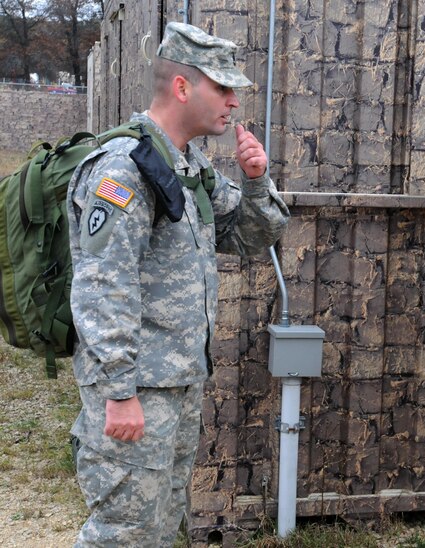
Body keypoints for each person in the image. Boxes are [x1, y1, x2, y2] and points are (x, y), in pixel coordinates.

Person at [67, 22, 290, 546]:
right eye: (224, 87)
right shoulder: (123, 171)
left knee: (163, 526)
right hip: (136, 389)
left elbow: (251, 237)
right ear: (183, 87)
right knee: (123, 533)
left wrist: (256, 180)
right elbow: (103, 288)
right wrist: (119, 394)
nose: (234, 101)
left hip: (177, 386)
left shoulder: (187, 165)